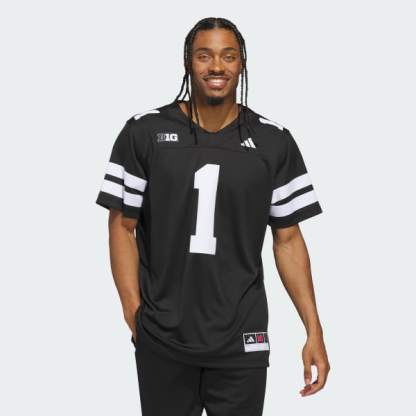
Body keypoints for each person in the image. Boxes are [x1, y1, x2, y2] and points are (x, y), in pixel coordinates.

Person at [95, 16, 330, 416]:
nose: (217, 66)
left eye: (228, 56)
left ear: (242, 63)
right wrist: (136, 316)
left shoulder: (273, 141)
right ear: (188, 61)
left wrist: (314, 330)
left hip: (243, 337)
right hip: (164, 336)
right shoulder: (144, 132)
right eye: (204, 55)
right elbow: (121, 227)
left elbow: (288, 239)